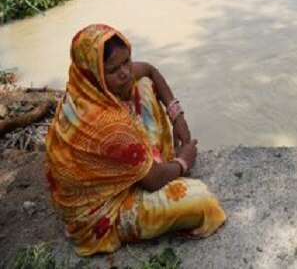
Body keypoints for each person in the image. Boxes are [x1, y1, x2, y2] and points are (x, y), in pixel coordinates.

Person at [45, 24, 226, 256]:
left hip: (108, 167)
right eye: (113, 70)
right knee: (203, 203)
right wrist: (183, 162)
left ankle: (152, 162)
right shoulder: (108, 123)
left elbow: (149, 70)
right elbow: (152, 181)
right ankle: (158, 169)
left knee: (142, 85)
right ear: (94, 72)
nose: (124, 73)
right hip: (100, 215)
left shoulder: (83, 86)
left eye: (126, 62)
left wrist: (176, 116)